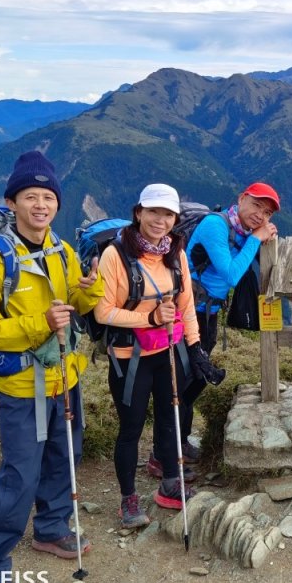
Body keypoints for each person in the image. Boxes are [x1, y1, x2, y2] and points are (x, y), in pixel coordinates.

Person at [0, 151, 103, 583]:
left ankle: (51, 529)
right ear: (12, 203)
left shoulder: (63, 252)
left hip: (65, 378)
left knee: (65, 456)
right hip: (22, 388)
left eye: (48, 197)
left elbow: (77, 312)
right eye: (31, 196)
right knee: (20, 475)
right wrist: (39, 323)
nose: (40, 204)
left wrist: (90, 291)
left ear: (57, 205)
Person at [93, 184, 222, 526]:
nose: (159, 220)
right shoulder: (115, 256)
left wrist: (196, 350)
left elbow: (186, 308)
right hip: (128, 357)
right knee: (131, 428)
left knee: (170, 418)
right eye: (153, 212)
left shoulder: (175, 252)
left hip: (169, 352)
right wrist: (147, 318)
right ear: (139, 213)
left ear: (175, 219)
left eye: (167, 214)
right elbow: (103, 312)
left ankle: (169, 485)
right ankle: (128, 500)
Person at [145, 182, 280, 476]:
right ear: (242, 198)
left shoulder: (242, 233)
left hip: (209, 315)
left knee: (195, 383)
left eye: (267, 213)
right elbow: (231, 274)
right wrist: (257, 238)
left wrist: (257, 238)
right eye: (256, 205)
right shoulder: (215, 226)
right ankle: (161, 456)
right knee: (179, 385)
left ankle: (181, 442)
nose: (260, 215)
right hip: (185, 317)